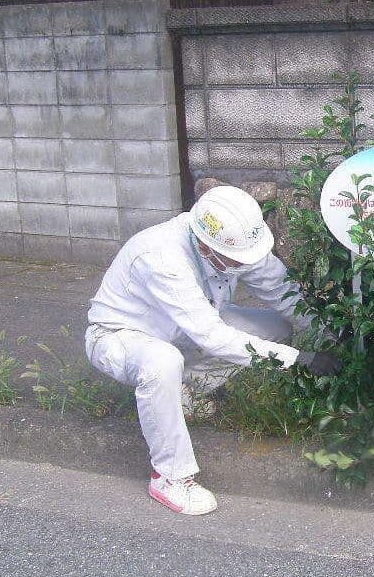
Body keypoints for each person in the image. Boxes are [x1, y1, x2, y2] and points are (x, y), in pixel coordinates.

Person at [85, 185, 340, 516]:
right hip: (123, 336)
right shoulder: (162, 258)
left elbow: (282, 290)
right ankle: (170, 477)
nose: (244, 263)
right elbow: (213, 336)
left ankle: (184, 390)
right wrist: (300, 361)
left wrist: (331, 339)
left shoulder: (234, 241)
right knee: (162, 362)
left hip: (188, 325)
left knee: (274, 328)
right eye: (236, 260)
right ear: (206, 248)